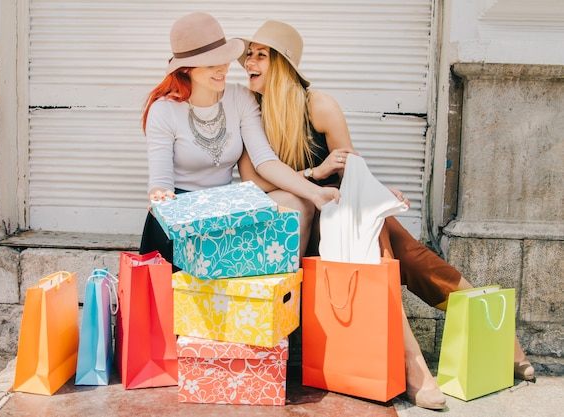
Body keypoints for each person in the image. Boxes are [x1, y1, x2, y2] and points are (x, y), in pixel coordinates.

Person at [236, 20, 535, 410]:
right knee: (380, 240)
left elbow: (353, 170)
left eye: (261, 54)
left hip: (342, 220)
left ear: (284, 64)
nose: (249, 62)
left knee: (406, 252)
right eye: (249, 54)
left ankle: (497, 337)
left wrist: (377, 194)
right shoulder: (249, 109)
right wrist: (314, 174)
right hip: (300, 225)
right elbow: (252, 181)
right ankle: (416, 369)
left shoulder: (318, 105)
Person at [137, 12, 339, 268]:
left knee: (298, 204)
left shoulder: (239, 97)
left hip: (223, 209)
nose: (224, 68)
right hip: (182, 211)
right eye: (212, 63)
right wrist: (160, 197)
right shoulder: (163, 110)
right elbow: (160, 183)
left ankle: (283, 294)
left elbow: (265, 161)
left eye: (225, 58)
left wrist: (317, 193)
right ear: (186, 68)